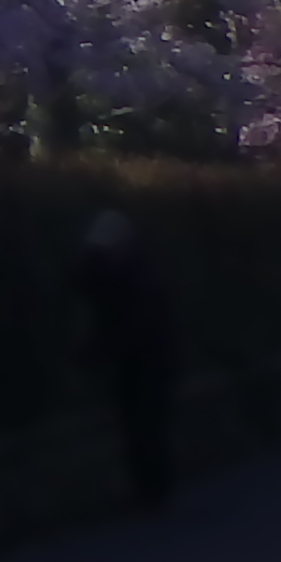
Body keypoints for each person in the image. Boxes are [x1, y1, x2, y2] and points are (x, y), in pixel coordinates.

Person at [74, 207, 183, 508]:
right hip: (139, 358)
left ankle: (152, 491)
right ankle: (151, 489)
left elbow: (135, 324)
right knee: (139, 425)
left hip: (150, 358)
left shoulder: (138, 277)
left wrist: (96, 350)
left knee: (145, 424)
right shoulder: (123, 269)